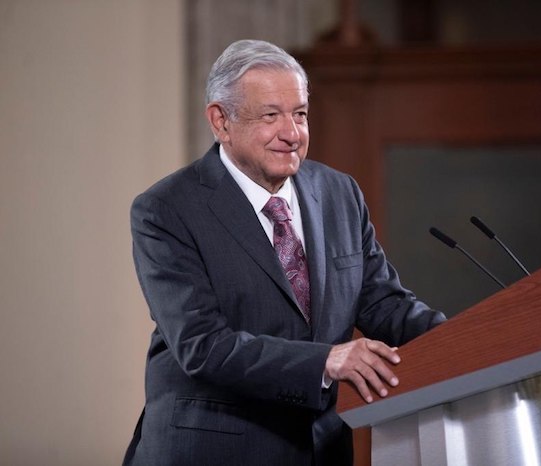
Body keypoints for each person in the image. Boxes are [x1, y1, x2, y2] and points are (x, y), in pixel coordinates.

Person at [123, 39, 445, 466]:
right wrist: (326, 361)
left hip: (321, 450)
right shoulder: (167, 209)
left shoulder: (338, 192)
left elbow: (384, 305)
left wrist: (476, 339)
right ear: (221, 121)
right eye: (271, 115)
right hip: (213, 451)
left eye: (300, 114)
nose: (292, 133)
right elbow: (203, 346)